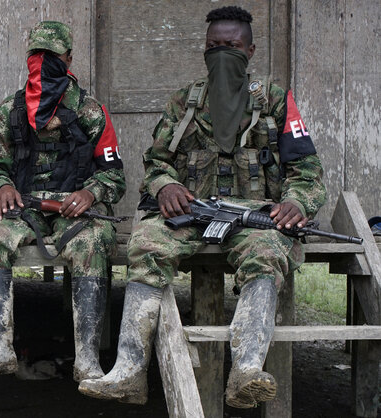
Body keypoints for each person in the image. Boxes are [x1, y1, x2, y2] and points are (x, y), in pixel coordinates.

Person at [78, 6, 326, 409]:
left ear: (250, 50)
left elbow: (307, 168)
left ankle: (245, 371)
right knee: (146, 242)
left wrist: (297, 201)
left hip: (253, 216)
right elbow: (155, 161)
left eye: (231, 46)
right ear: (203, 50)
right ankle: (128, 371)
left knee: (268, 251)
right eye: (213, 47)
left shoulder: (275, 101)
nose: (221, 53)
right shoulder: (185, 101)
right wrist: (166, 185)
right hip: (193, 212)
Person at [0, 21, 126, 384]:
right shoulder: (12, 109)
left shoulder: (90, 111)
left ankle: (86, 358)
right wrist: (1, 185)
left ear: (68, 58)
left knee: (92, 241)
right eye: (36, 56)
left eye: (51, 56)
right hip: (23, 207)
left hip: (74, 211)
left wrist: (90, 193)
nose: (43, 63)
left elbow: (115, 174)